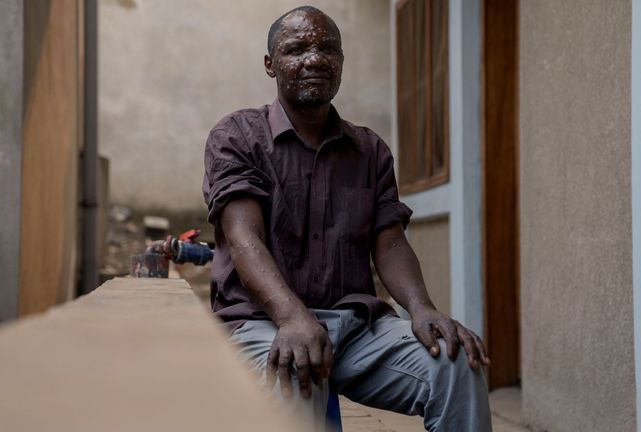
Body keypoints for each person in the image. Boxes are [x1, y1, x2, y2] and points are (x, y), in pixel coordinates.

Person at [202, 6, 492, 431]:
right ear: (270, 64)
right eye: (296, 49)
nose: (314, 58)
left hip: (356, 329)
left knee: (456, 366)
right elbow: (244, 238)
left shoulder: (369, 150)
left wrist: (422, 308)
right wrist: (292, 317)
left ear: (340, 60)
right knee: (296, 371)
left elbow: (389, 242)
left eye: (327, 48)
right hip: (265, 322)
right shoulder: (237, 136)